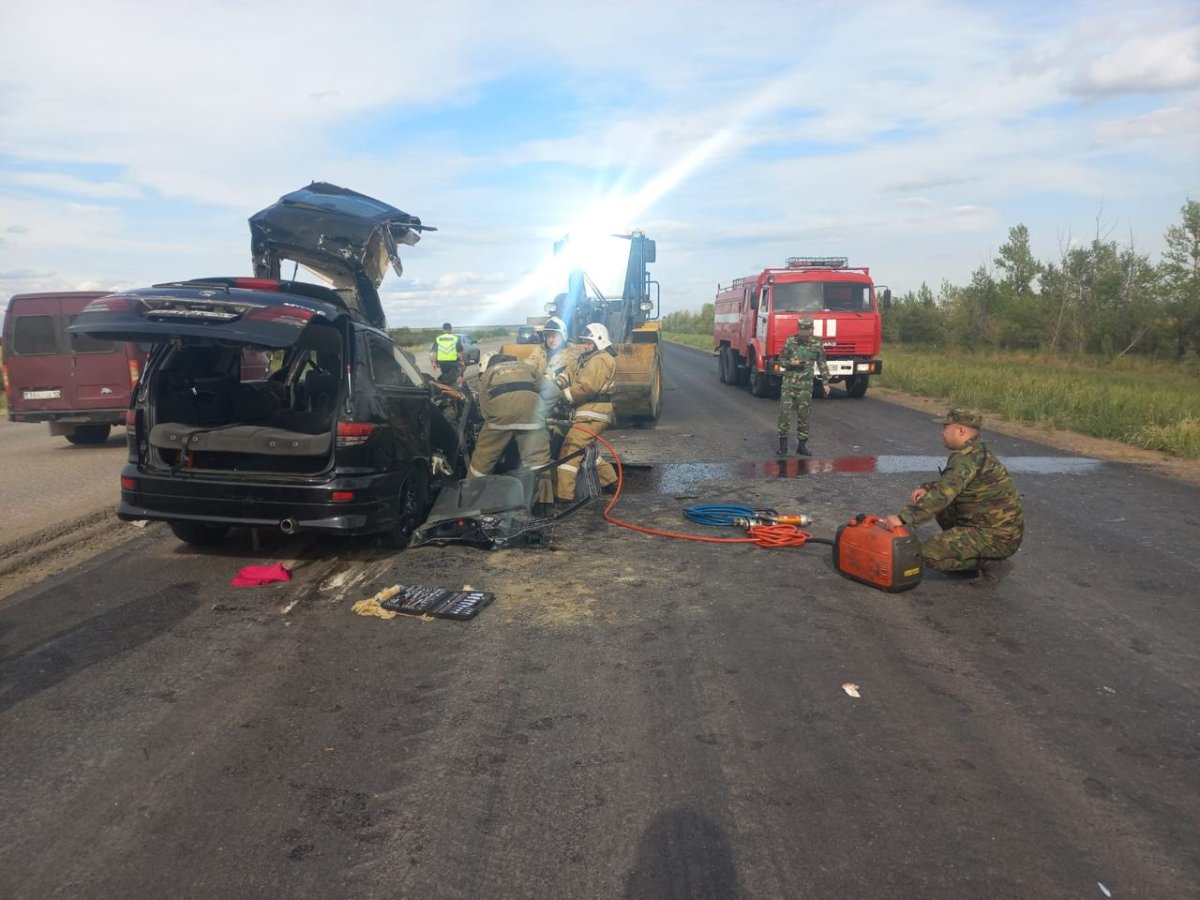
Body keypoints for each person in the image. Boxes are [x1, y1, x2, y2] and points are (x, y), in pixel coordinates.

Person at [883, 408, 1024, 584]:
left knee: (923, 555)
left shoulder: (966, 459)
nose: (942, 432)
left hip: (996, 537)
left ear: (961, 430)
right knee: (939, 503)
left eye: (945, 427)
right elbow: (954, 483)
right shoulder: (975, 450)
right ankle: (961, 550)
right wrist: (928, 488)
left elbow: (942, 494)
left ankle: (991, 563)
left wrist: (903, 519)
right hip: (996, 529)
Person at [468, 353, 554, 506]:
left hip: (500, 417)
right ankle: (544, 504)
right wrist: (540, 413)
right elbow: (553, 392)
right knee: (539, 461)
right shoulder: (528, 368)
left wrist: (491, 422)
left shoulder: (489, 373)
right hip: (532, 416)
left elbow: (484, 405)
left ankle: (470, 499)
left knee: (483, 461)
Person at [554, 323, 618, 506]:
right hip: (587, 411)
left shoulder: (600, 360)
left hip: (593, 412)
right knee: (586, 449)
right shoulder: (588, 358)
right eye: (584, 342)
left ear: (600, 341)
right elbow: (569, 374)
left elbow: (586, 388)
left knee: (570, 449)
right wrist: (556, 384)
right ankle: (610, 481)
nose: (586, 345)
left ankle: (564, 496)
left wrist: (562, 396)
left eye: (589, 342)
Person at [776, 316, 831, 456]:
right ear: (798, 329)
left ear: (812, 330)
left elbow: (822, 363)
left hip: (806, 386)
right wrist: (791, 363)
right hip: (789, 384)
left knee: (804, 416)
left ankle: (802, 446)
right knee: (784, 415)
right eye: (801, 331)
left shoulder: (817, 343)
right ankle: (783, 446)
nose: (804, 334)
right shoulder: (790, 341)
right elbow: (781, 360)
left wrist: (825, 382)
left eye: (806, 331)